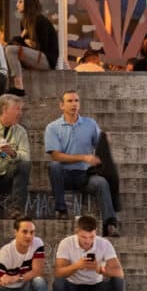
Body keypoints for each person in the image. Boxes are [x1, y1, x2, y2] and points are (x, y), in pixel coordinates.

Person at [45, 91, 118, 234]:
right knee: (54, 166)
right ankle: (61, 210)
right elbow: (55, 155)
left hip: (85, 176)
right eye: (70, 101)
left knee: (102, 182)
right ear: (62, 105)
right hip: (64, 175)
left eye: (77, 101)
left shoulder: (90, 124)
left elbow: (100, 144)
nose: (74, 104)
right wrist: (83, 157)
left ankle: (110, 224)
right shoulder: (53, 127)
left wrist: (105, 140)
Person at [50, 215, 125, 291]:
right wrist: (77, 266)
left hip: (96, 290)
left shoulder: (104, 244)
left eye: (91, 237)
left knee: (118, 282)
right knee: (59, 283)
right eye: (84, 237)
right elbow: (58, 272)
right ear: (77, 232)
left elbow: (119, 273)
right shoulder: (66, 243)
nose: (87, 241)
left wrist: (100, 269)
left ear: (96, 233)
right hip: (73, 290)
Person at [13, 0, 58, 73]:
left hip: (47, 60)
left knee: (11, 49)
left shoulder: (40, 21)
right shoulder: (24, 22)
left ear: (28, 3)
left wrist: (25, 41)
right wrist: (26, 41)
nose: (17, 5)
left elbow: (42, 46)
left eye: (20, 2)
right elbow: (24, 44)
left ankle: (17, 80)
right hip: (35, 56)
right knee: (8, 48)